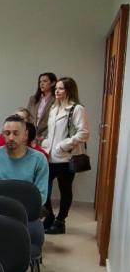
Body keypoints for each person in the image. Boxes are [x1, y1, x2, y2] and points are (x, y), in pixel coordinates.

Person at [41, 77, 89, 234]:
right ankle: (49, 216)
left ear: (69, 90)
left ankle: (60, 221)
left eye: (61, 88)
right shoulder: (54, 109)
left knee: (65, 190)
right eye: (56, 88)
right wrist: (45, 143)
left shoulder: (77, 109)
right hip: (50, 156)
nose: (57, 91)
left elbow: (84, 133)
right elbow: (51, 133)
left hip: (65, 158)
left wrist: (64, 145)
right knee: (42, 187)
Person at [0, 115, 50, 202]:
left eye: (16, 133)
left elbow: (41, 195)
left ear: (25, 135)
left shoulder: (39, 159)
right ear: (2, 135)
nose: (11, 138)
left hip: (27, 208)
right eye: (7, 133)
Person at [29, 72, 57, 145]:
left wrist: (43, 136)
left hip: (47, 138)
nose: (41, 84)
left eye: (45, 81)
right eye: (40, 81)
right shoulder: (33, 99)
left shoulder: (56, 100)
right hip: (31, 136)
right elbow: (28, 117)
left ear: (53, 83)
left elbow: (55, 122)